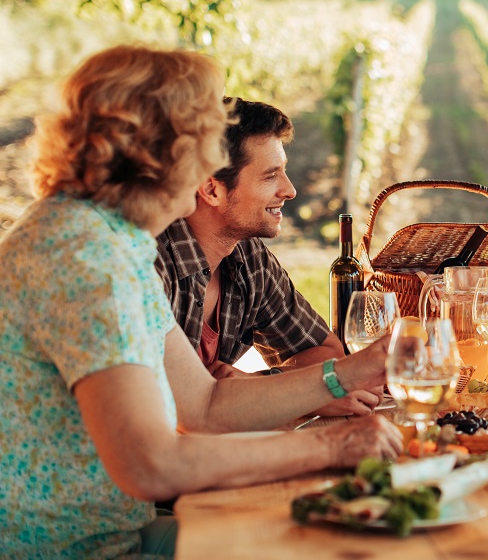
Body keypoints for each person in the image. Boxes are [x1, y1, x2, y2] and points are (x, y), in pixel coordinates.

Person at [0, 45, 404, 558]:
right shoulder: (85, 258)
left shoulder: (111, 240)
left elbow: (205, 408)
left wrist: (353, 370)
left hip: (114, 533)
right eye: (208, 138)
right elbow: (152, 463)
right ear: (164, 151)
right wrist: (327, 446)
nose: (215, 157)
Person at [155, 97, 379, 416]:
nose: (289, 190)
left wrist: (263, 385)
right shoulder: (150, 265)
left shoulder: (247, 256)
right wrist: (308, 392)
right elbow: (160, 405)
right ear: (212, 189)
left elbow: (325, 351)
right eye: (270, 175)